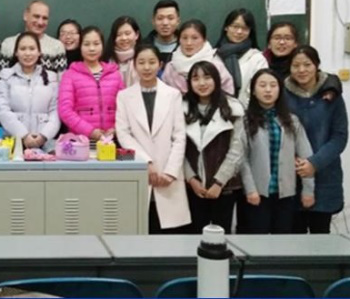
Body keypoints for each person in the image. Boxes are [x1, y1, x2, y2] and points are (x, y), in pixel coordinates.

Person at [115, 44, 190, 233]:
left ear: (160, 65)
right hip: (139, 170)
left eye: (151, 62)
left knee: (169, 234)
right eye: (141, 62)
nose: (146, 67)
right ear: (134, 65)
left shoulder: (173, 95)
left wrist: (171, 172)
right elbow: (123, 133)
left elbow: (179, 136)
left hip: (168, 173)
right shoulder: (124, 96)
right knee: (139, 227)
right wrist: (145, 162)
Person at [239, 69, 315, 234]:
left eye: (273, 85)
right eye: (262, 85)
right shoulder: (245, 121)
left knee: (283, 241)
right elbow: (242, 159)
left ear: (280, 90)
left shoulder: (292, 121)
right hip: (257, 193)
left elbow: (306, 157)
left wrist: (308, 190)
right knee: (257, 241)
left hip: (285, 193)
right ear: (253, 91)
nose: (268, 90)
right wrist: (250, 189)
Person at [284, 45, 348, 234]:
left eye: (307, 64)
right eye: (296, 65)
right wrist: (294, 160)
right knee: (293, 239)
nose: (301, 70)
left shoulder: (332, 95)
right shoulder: (282, 94)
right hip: (291, 175)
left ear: (317, 65)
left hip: (325, 173)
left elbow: (340, 136)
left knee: (321, 237)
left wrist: (314, 163)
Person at [182, 61, 244, 234]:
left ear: (217, 79)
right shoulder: (181, 108)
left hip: (225, 187)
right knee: (193, 236)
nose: (202, 83)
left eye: (207, 77)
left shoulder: (233, 108)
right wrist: (191, 179)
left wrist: (219, 182)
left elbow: (237, 149)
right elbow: (178, 148)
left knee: (221, 236)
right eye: (196, 78)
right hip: (193, 187)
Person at [0, 32, 60, 150]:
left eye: (32, 48)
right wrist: (23, 135)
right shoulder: (5, 78)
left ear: (39, 52)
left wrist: (44, 136)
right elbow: (2, 110)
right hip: (14, 143)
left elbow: (55, 111)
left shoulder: (51, 78)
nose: (28, 53)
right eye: (23, 49)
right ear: (16, 52)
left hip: (45, 143)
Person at [58, 26, 125, 141]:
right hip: (81, 141)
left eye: (96, 44)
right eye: (87, 44)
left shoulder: (115, 74)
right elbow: (65, 111)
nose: (92, 48)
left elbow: (124, 107)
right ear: (80, 46)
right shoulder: (70, 75)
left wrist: (116, 129)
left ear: (102, 46)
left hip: (111, 140)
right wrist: (90, 131)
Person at [162, 19, 235, 96]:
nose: (189, 43)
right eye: (184, 38)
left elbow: (228, 93)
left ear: (204, 39)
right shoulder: (171, 67)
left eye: (195, 38)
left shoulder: (215, 65)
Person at [215, 8, 268, 107]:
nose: (239, 32)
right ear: (226, 27)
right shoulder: (213, 56)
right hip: (215, 113)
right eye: (235, 26)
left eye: (245, 28)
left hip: (247, 112)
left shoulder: (257, 59)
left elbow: (259, 91)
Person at [0, 0, 67, 74]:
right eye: (36, 16)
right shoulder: (8, 44)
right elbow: (1, 76)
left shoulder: (57, 46)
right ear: (25, 16)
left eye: (45, 18)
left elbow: (62, 79)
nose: (40, 22)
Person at [105, 16, 141, 87]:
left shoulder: (143, 57)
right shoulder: (106, 60)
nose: (124, 38)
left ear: (136, 34)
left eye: (127, 33)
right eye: (119, 35)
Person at [144, 0, 181, 68]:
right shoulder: (143, 46)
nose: (165, 23)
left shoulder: (186, 46)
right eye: (160, 18)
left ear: (178, 21)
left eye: (170, 18)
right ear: (153, 21)